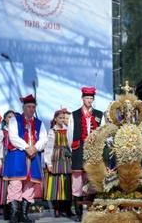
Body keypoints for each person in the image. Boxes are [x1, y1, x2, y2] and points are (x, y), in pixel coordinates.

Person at [3, 94, 48, 223]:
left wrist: (35, 147)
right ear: (23, 107)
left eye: (33, 107)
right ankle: (14, 217)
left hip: (33, 158)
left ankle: (23, 215)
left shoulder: (39, 123)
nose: (31, 109)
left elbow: (44, 139)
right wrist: (27, 147)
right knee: (15, 185)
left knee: (29, 187)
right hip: (18, 156)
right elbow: (13, 137)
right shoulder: (14, 120)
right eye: (28, 106)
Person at [67, 86, 104, 222]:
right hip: (79, 151)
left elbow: (103, 133)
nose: (89, 100)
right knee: (78, 182)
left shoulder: (99, 115)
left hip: (94, 153)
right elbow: (70, 135)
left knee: (93, 181)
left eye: (91, 98)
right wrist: (76, 149)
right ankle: (78, 213)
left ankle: (92, 211)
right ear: (82, 98)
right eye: (87, 98)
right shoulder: (74, 115)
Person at [43, 110, 74, 218]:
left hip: (67, 158)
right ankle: (57, 209)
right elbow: (49, 147)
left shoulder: (68, 130)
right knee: (56, 184)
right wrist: (49, 163)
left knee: (68, 182)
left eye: (63, 118)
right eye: (60, 118)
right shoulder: (52, 131)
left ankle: (68, 208)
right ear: (55, 119)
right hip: (56, 158)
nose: (62, 120)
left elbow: (71, 145)